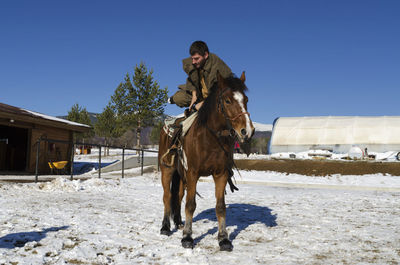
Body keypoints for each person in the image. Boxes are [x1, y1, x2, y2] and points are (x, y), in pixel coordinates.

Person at [169, 41, 233, 111]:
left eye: (196, 59)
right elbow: (191, 79)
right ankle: (173, 99)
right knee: (178, 98)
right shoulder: (195, 62)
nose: (193, 62)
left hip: (216, 97)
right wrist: (194, 94)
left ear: (205, 55)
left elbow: (220, 92)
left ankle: (196, 108)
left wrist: (202, 104)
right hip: (200, 93)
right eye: (192, 58)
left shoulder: (218, 68)